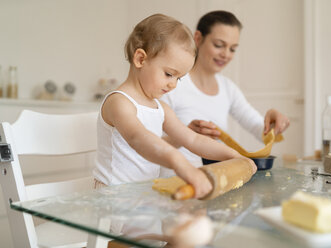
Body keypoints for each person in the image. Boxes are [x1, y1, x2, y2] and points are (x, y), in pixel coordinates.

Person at [93, 14, 256, 199]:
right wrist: (179, 163)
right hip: (113, 197)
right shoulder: (119, 102)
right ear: (140, 59)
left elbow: (193, 140)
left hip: (144, 194)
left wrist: (235, 156)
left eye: (179, 78)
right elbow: (139, 138)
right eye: (169, 74)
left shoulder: (160, 107)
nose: (173, 85)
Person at [161, 10, 290, 170]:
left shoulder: (228, 88)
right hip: (176, 181)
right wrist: (185, 135)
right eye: (219, 45)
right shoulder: (171, 84)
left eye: (233, 49)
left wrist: (272, 124)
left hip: (216, 180)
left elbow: (260, 131)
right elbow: (148, 143)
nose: (226, 54)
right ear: (198, 38)